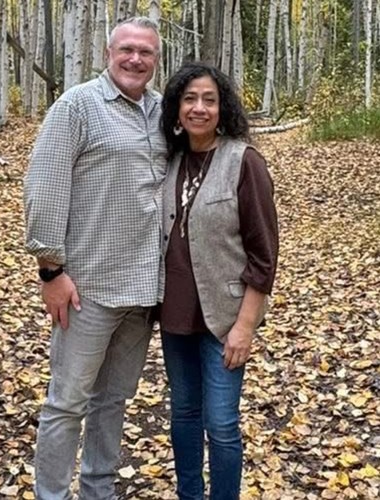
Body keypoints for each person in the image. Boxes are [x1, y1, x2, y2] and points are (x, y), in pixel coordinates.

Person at [23, 17, 166, 500]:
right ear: (108, 53)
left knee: (114, 401)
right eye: (127, 49)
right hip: (88, 289)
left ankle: (98, 490)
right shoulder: (77, 106)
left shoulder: (162, 112)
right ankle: (52, 495)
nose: (135, 59)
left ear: (156, 59)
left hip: (144, 292)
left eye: (145, 52)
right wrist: (51, 270)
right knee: (67, 403)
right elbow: (44, 188)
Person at [159, 62, 279, 500]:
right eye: (189, 99)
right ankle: (190, 494)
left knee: (223, 423)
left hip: (225, 319)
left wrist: (245, 327)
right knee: (184, 414)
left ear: (222, 107)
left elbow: (264, 256)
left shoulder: (243, 162)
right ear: (176, 108)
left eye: (209, 100)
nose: (199, 108)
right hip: (175, 315)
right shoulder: (170, 161)